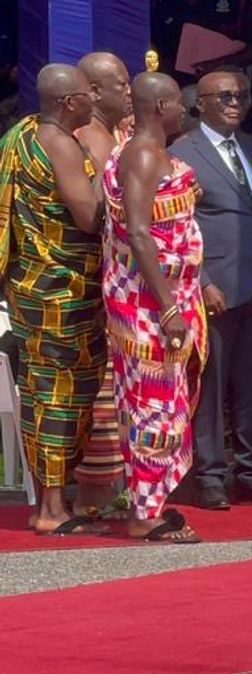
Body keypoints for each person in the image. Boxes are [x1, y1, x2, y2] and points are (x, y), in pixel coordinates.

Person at [170, 66, 252, 510]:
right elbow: (178, 226)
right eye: (224, 96)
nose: (234, 103)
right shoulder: (182, 153)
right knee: (211, 387)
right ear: (199, 104)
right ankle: (210, 475)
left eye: (241, 96)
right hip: (215, 289)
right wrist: (201, 281)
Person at [0, 64, 105, 534]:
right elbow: (87, 216)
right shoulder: (59, 142)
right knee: (58, 395)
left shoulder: (20, 136)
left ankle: (55, 500)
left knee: (48, 391)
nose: (94, 102)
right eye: (87, 96)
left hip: (31, 284)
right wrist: (116, 176)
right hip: (59, 289)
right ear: (68, 103)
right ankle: (50, 508)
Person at [102, 71, 206, 542]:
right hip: (147, 302)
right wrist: (167, 307)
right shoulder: (142, 153)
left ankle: (153, 502)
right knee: (150, 403)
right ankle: (144, 512)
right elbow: (139, 232)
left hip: (163, 295)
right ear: (159, 108)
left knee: (163, 401)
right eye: (178, 103)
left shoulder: (152, 154)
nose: (185, 109)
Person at [71, 51, 133, 520]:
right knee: (101, 390)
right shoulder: (86, 138)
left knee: (122, 385)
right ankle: (93, 493)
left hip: (126, 277)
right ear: (93, 93)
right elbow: (96, 211)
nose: (129, 91)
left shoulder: (117, 134)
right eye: (122, 83)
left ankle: (118, 486)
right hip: (96, 280)